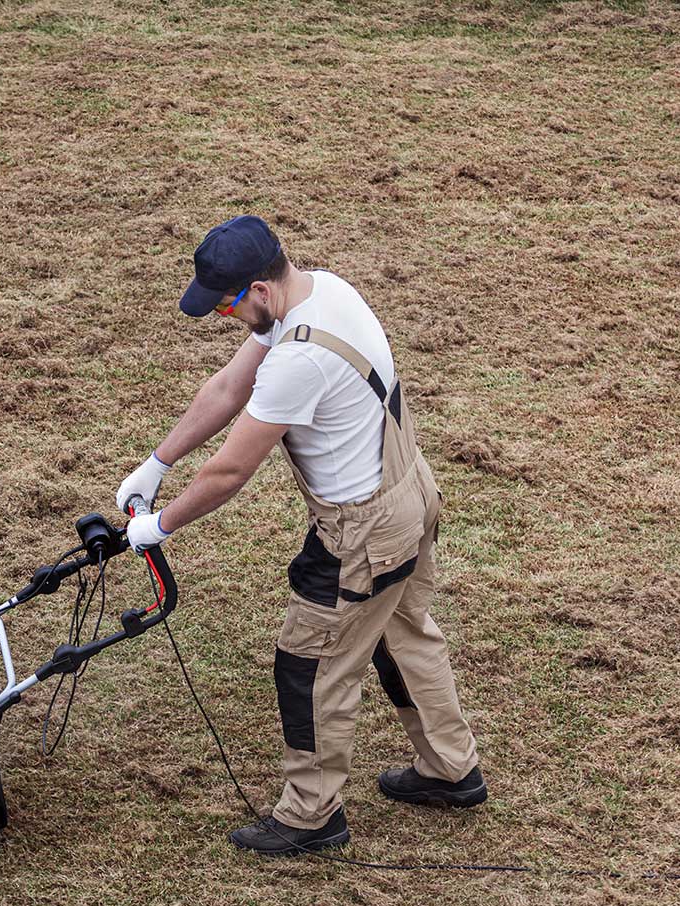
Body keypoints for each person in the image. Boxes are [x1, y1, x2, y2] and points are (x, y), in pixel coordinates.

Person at [118, 216, 486, 855]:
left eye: (229, 305)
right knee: (403, 636)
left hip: (360, 531)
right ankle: (451, 768)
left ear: (259, 289)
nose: (227, 317)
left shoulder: (300, 359)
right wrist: (157, 463)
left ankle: (311, 816)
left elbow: (232, 468)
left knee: (309, 664)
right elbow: (231, 386)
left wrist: (159, 525)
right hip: (409, 493)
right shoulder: (323, 292)